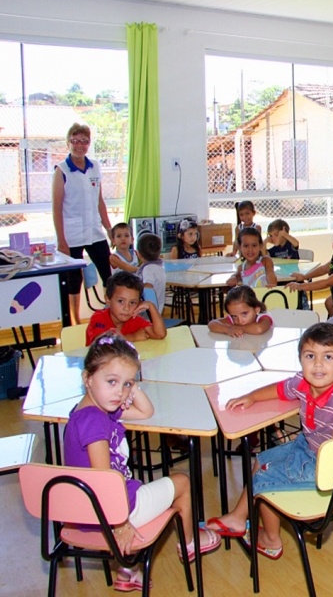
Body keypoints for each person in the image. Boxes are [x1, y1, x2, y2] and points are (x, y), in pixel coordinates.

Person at [203, 323, 333, 558]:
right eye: (310, 356)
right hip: (308, 447)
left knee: (264, 481)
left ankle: (271, 540)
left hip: (326, 466)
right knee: (261, 459)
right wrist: (251, 397)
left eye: (328, 357)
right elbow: (280, 389)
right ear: (300, 360)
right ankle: (238, 517)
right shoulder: (303, 382)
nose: (318, 364)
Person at [64, 332, 220, 591]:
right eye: (112, 381)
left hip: (84, 510)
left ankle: (128, 570)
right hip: (111, 511)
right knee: (182, 481)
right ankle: (190, 544)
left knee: (143, 483)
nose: (119, 392)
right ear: (87, 378)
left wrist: (131, 387)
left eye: (127, 384)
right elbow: (104, 481)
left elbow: (146, 412)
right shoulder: (94, 421)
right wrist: (120, 523)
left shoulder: (95, 411)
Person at [52, 123, 113, 325]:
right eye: (75, 141)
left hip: (94, 231)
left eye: (84, 141)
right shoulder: (61, 171)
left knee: (108, 275)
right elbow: (57, 208)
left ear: (89, 143)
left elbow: (100, 201)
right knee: (73, 280)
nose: (80, 145)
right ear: (68, 143)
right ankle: (75, 323)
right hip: (71, 235)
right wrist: (62, 241)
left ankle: (111, 317)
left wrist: (109, 228)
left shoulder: (95, 166)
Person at [288, 224, 333, 329]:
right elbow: (323, 269)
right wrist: (304, 277)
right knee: (324, 330)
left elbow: (327, 282)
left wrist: (301, 287)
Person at [86, 271, 166, 346]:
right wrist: (133, 337)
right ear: (108, 300)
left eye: (132, 303)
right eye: (120, 301)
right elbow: (103, 344)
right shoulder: (99, 317)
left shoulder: (134, 319)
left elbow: (160, 334)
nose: (126, 308)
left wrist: (151, 306)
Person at [208, 286, 273, 338]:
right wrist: (227, 330)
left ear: (256, 309)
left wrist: (234, 327)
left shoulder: (264, 317)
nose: (239, 321)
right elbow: (212, 324)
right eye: (234, 316)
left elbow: (259, 329)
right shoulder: (233, 320)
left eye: (244, 314)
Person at [137, 234, 166, 314]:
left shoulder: (148, 269)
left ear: (139, 254)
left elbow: (148, 289)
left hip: (149, 313)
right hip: (156, 310)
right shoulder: (159, 266)